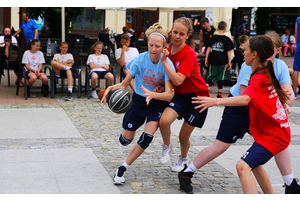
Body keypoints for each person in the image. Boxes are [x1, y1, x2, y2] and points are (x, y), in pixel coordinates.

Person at [177, 32, 300, 194]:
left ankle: (289, 183)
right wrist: (276, 105)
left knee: (243, 166)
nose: (242, 52)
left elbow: (247, 99)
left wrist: (214, 101)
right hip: (243, 112)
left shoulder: (267, 71)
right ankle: (187, 172)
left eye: (246, 49)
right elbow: (247, 97)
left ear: (258, 54)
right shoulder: (259, 69)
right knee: (225, 149)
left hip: (263, 122)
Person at [100, 23, 175, 185]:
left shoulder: (166, 64)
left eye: (157, 46)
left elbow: (169, 95)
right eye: (151, 45)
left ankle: (123, 168)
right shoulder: (139, 60)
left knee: (146, 138)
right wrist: (110, 89)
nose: (153, 49)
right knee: (124, 141)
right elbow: (124, 84)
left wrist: (155, 94)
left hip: (157, 103)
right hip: (139, 101)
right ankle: (127, 137)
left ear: (164, 47)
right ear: (147, 44)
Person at [159, 17, 210, 173]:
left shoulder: (188, 53)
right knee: (164, 121)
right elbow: (169, 78)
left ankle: (183, 159)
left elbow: (179, 80)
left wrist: (164, 61)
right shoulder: (167, 50)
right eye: (175, 32)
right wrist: (162, 86)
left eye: (181, 34)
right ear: (171, 31)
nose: (177, 36)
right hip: (181, 95)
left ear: (187, 36)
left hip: (198, 97)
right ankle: (167, 147)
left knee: (183, 136)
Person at [205, 21, 234, 98]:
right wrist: (229, 62)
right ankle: (219, 94)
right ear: (225, 28)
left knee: (210, 75)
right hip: (223, 60)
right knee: (221, 76)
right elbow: (229, 52)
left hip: (213, 59)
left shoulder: (213, 37)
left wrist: (206, 58)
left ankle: (205, 89)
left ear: (217, 28)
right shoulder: (227, 39)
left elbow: (208, 48)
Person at [292, 16, 300, 99]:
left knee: (296, 69)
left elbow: (296, 34)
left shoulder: (298, 19)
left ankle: (294, 92)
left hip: (299, 46)